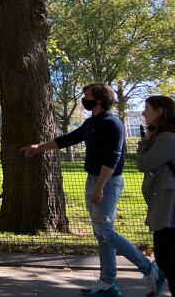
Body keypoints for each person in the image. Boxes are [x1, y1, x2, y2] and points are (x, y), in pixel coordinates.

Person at [20, 83, 164, 297]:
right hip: (93, 180)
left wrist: (99, 187)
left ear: (99, 99)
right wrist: (38, 147)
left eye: (87, 95)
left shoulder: (113, 123)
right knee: (101, 235)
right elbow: (67, 139)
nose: (84, 99)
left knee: (105, 230)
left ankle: (149, 268)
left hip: (108, 182)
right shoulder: (91, 123)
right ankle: (108, 283)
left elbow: (113, 158)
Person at [137, 95, 175, 294]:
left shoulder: (167, 138)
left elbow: (144, 164)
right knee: (165, 255)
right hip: (166, 204)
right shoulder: (165, 137)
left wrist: (144, 143)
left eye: (147, 108)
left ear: (160, 111)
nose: (144, 113)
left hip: (169, 206)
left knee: (166, 255)